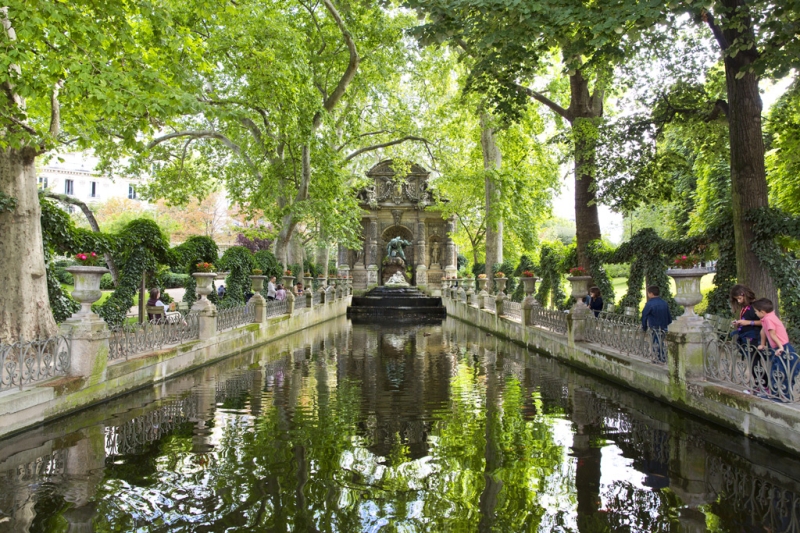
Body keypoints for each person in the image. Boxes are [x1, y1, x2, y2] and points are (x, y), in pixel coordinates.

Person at [753, 298, 799, 400]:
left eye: (756, 311)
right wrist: (763, 343)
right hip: (779, 348)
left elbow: (773, 334)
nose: (755, 313)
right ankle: (775, 394)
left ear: (762, 312)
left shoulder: (769, 319)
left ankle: (784, 396)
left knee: (782, 372)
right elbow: (763, 331)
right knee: (775, 372)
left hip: (783, 348)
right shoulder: (767, 317)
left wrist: (781, 347)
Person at [641, 285, 672, 362]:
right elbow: (668, 315)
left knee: (656, 342)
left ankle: (659, 358)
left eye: (648, 293)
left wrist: (644, 327)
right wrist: (669, 324)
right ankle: (662, 356)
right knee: (661, 341)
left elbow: (644, 316)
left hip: (654, 326)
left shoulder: (649, 304)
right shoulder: (664, 303)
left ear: (651, 293)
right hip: (664, 325)